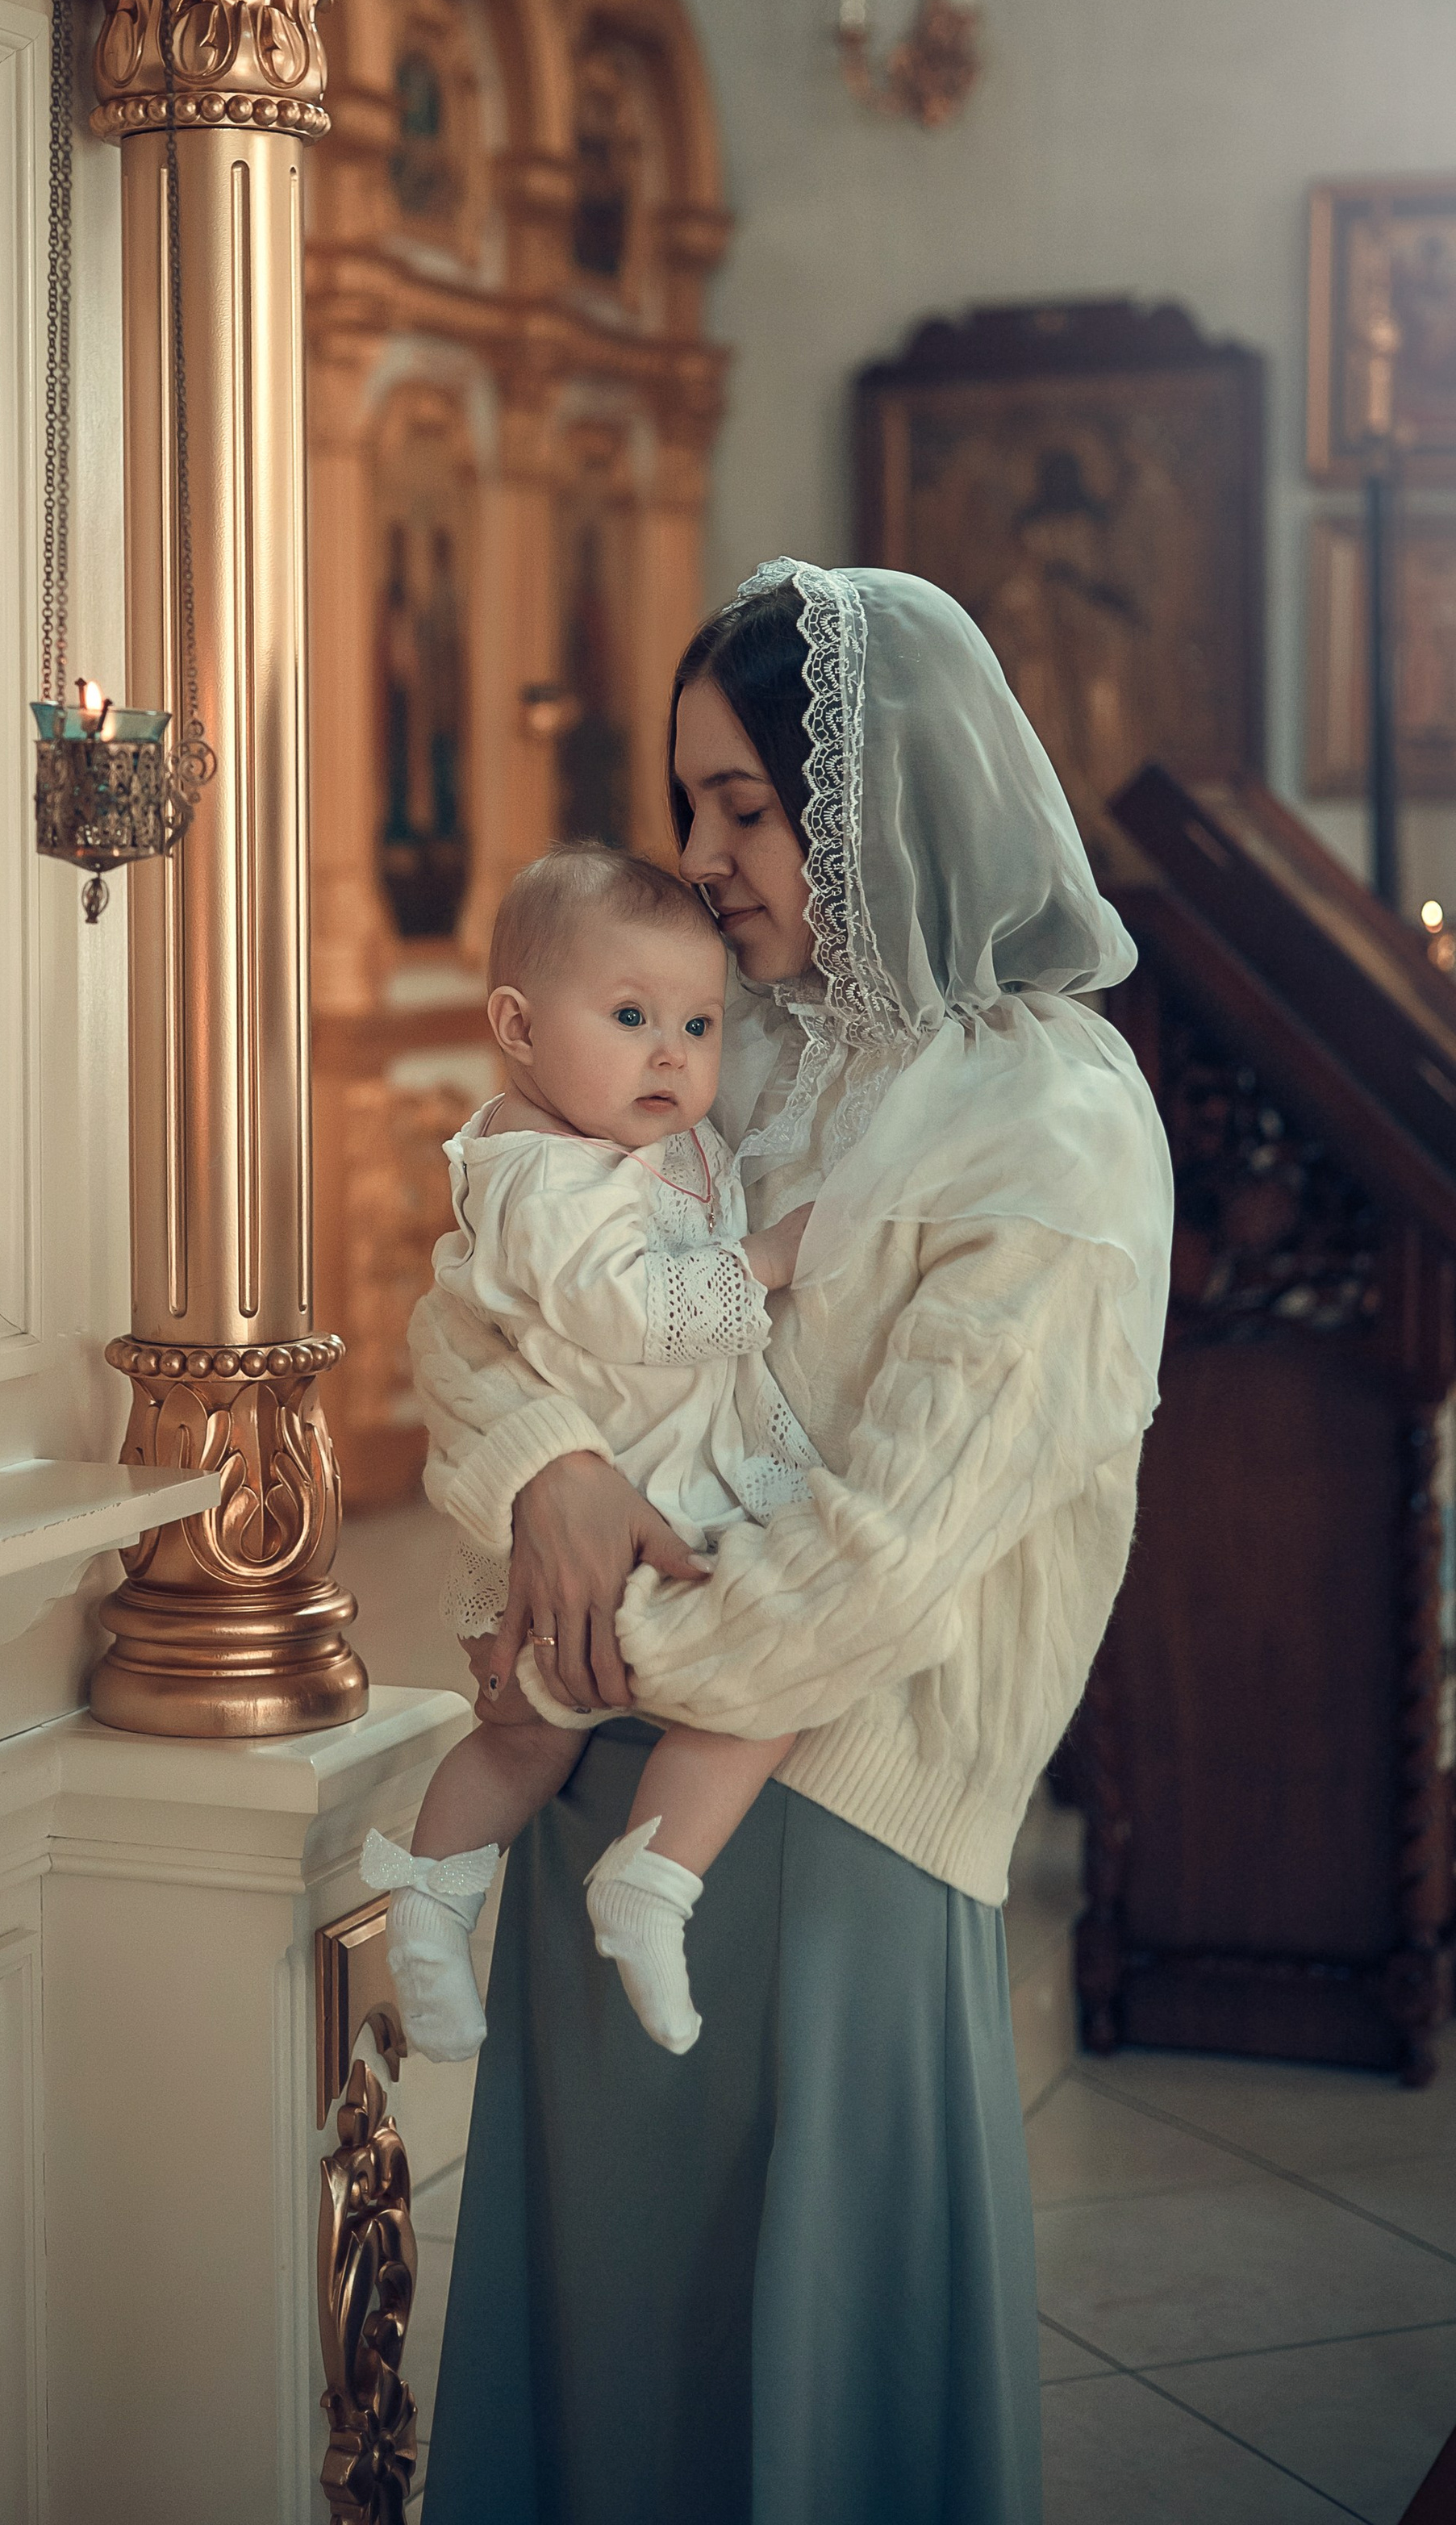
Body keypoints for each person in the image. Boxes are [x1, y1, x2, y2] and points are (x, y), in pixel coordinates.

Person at [407, 559, 1174, 2525]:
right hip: (605, 1780)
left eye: (744, 805)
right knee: (603, 2366)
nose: (700, 856)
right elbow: (477, 1309)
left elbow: (894, 1547)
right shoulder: (715, 1044)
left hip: (829, 1813)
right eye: (686, 804)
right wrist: (543, 1482)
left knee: (795, 2388)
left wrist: (595, 1664)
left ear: (879, 793)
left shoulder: (1053, 1119)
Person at [362, 845, 817, 2060]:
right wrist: (762, 1264)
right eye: (630, 1017)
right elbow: (625, 1309)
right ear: (516, 1025)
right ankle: (529, 1896)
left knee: (539, 1732)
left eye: (699, 1021)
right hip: (614, 1527)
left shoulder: (626, 1143)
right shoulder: (540, 1176)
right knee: (733, 1684)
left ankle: (513, 1894)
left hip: (627, 1508)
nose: (673, 1052)